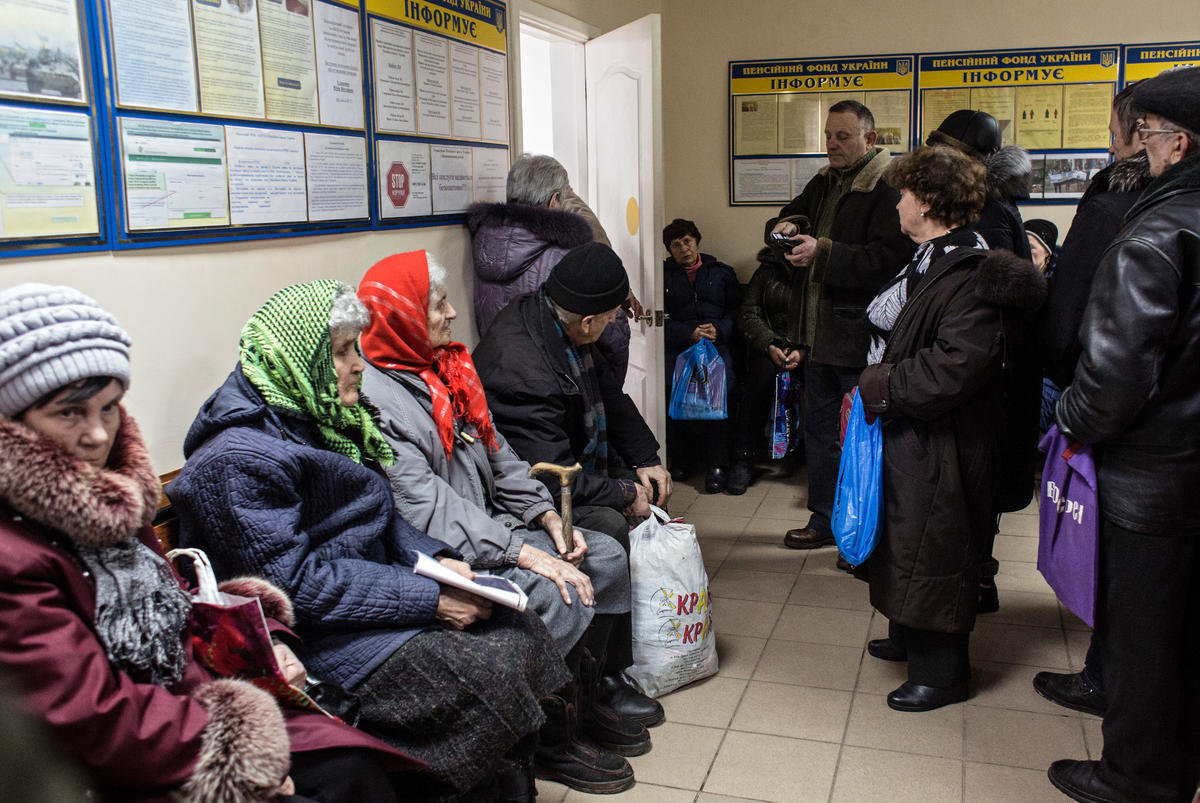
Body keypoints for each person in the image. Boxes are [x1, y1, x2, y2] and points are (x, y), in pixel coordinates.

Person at [0, 283, 418, 803]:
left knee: (353, 768)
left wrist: (266, 642)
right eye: (69, 413)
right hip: (137, 758)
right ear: (12, 421)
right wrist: (245, 754)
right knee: (345, 776)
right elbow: (88, 714)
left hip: (189, 704)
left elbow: (182, 603)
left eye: (109, 409)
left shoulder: (108, 496)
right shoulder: (14, 554)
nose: (97, 435)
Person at [169, 280, 576, 800]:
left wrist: (441, 562)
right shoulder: (237, 461)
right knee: (486, 671)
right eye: (342, 352)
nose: (359, 365)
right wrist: (431, 600)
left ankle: (501, 786)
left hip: (363, 600)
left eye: (357, 348)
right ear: (299, 360)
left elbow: (382, 521)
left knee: (519, 628)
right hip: (314, 637)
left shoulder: (318, 417)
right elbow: (296, 589)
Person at [354, 250, 662, 774]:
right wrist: (527, 552)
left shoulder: (446, 368)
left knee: (605, 554)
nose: (452, 316)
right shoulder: (379, 400)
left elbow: (501, 457)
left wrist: (545, 516)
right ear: (402, 317)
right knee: (557, 589)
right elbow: (429, 509)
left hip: (495, 525)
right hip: (447, 552)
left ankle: (583, 702)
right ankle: (547, 734)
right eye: (439, 306)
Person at [1047, 66, 1200, 803]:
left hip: (1151, 477)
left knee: (1144, 641)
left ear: (1179, 142)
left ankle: (1137, 779)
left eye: (1144, 133)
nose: (1137, 146)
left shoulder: (1157, 231)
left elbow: (1112, 380)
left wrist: (1068, 419)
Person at [856, 146, 1046, 713]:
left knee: (936, 544)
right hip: (914, 431)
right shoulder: (933, 254)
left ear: (932, 204)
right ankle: (910, 634)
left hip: (945, 437)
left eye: (906, 194)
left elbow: (954, 367)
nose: (899, 203)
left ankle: (943, 672)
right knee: (906, 538)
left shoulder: (971, 271)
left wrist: (878, 384)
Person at [1032, 83, 1152, 722]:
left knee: (1117, 548)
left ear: (1142, 135)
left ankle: (1107, 679)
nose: (1109, 143)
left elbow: (1067, 311)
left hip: (1115, 407)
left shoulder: (1115, 203)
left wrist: (1063, 394)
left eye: (1114, 132)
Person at [763, 99, 914, 550]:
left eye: (842, 136)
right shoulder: (826, 179)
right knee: (821, 433)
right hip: (817, 336)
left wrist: (824, 252)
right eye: (828, 135)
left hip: (857, 339)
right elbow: (785, 216)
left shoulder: (888, 187)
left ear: (871, 139)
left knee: (860, 440)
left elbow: (891, 260)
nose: (832, 143)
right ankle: (826, 519)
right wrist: (786, 225)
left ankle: (865, 529)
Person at [473, 242, 673, 553]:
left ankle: (651, 593)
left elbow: (608, 391)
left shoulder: (556, 315)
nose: (612, 322)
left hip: (568, 461)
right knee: (611, 524)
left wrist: (646, 459)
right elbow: (551, 476)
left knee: (652, 487)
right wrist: (623, 493)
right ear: (588, 321)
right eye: (610, 317)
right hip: (533, 487)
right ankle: (611, 600)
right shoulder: (524, 374)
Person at [926, 109, 1040, 613]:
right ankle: (977, 578)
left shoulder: (985, 214)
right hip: (992, 373)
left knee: (975, 487)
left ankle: (976, 581)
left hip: (986, 378)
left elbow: (979, 312)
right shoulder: (992, 206)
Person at [468, 154, 636, 383]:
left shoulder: (486, 242)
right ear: (554, 200)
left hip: (503, 374)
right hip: (561, 383)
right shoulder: (567, 254)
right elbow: (610, 337)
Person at [661, 218, 741, 493]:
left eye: (687, 241)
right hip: (679, 348)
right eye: (676, 244)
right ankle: (681, 458)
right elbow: (659, 318)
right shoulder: (663, 275)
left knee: (721, 396)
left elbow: (736, 313)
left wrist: (718, 330)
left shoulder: (722, 272)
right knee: (675, 394)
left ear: (697, 241)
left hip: (716, 348)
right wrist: (687, 333)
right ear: (669, 250)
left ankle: (718, 464)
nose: (683, 248)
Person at [735, 246, 806, 486]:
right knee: (758, 382)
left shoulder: (820, 267)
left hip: (809, 347)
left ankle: (803, 455)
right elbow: (749, 313)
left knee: (819, 385)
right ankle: (744, 458)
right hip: (770, 344)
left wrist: (803, 350)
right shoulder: (767, 270)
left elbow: (824, 316)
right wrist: (770, 344)